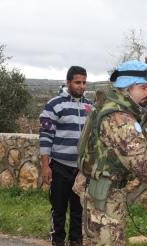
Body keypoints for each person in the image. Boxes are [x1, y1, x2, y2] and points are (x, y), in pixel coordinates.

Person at [72, 60, 147, 245]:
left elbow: (124, 141)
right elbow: (140, 164)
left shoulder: (113, 108)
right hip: (103, 195)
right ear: (127, 87)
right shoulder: (120, 118)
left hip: (99, 190)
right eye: (143, 88)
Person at [40, 66, 92, 246]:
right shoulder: (54, 105)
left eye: (84, 82)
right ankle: (57, 241)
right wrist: (46, 166)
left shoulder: (90, 106)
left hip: (82, 169)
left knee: (79, 211)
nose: (81, 86)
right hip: (60, 167)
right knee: (59, 210)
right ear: (68, 82)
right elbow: (45, 138)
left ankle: (76, 241)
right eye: (78, 82)